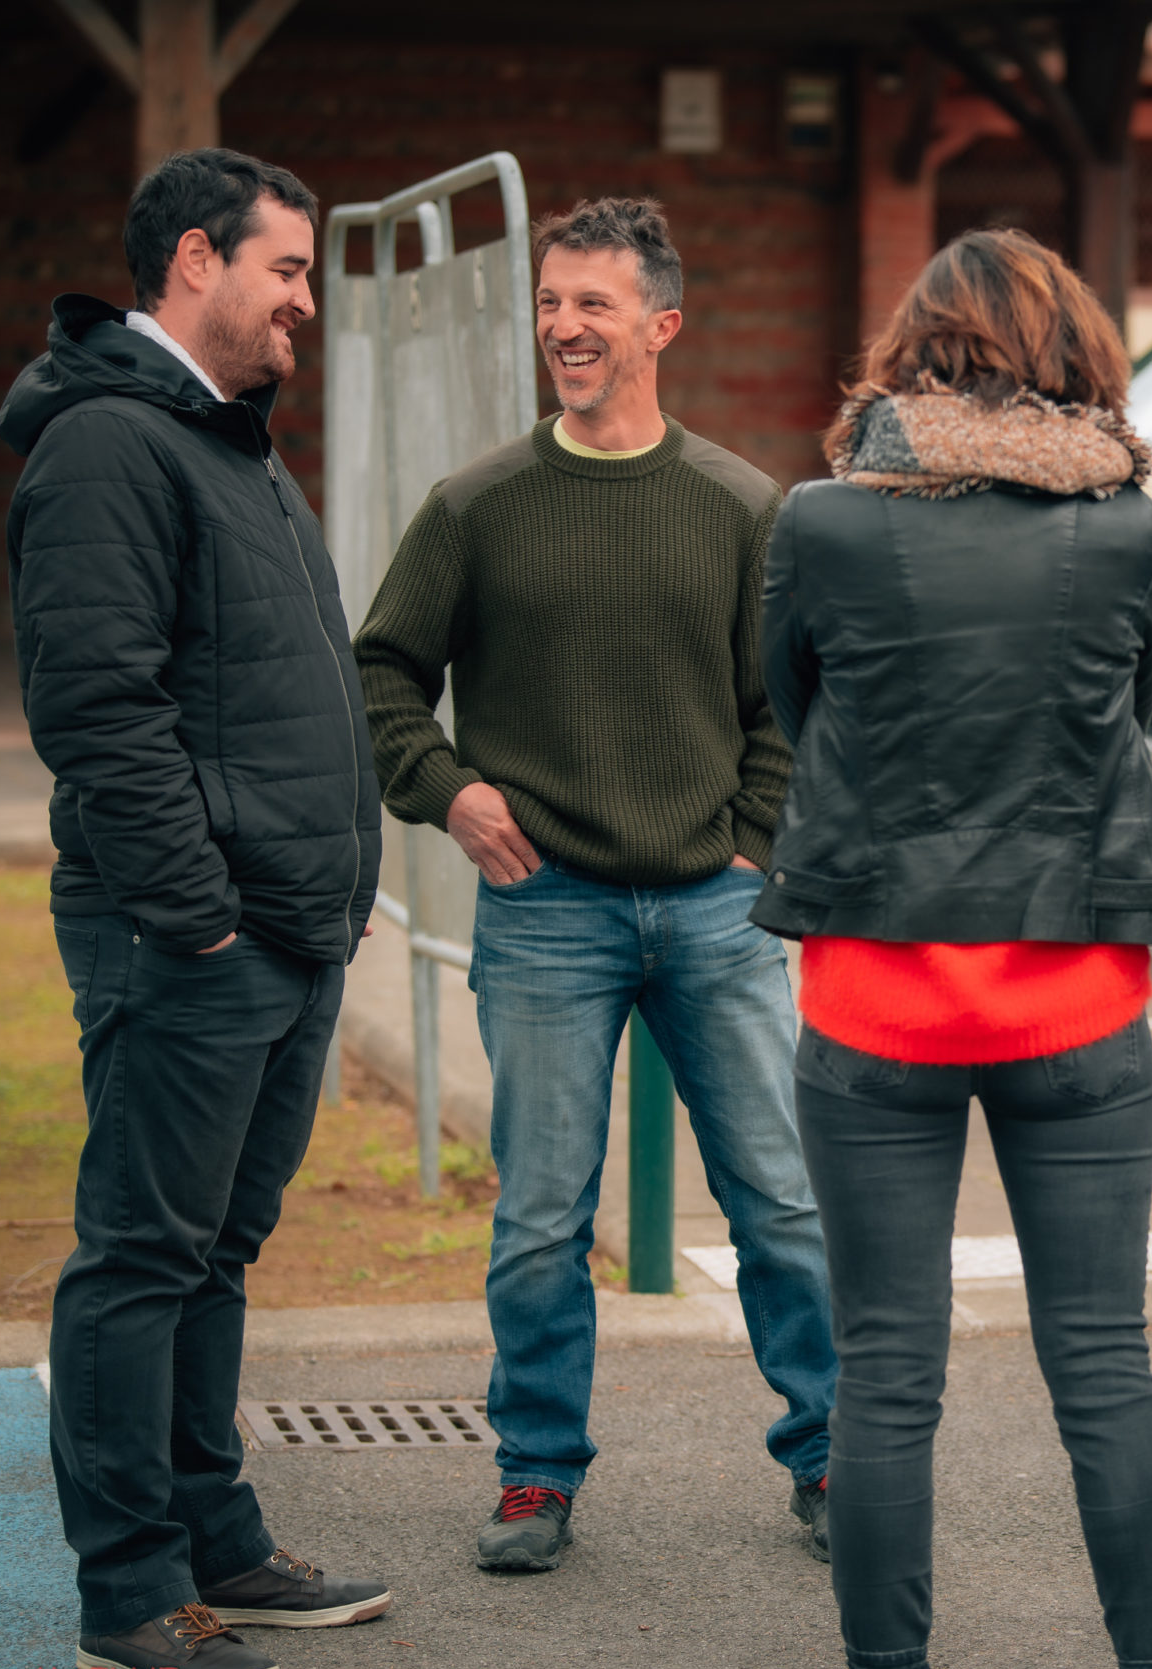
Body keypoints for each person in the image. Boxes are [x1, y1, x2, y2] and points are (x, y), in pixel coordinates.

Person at [353, 197, 837, 1572]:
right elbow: (382, 666)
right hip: (546, 909)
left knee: (780, 1200)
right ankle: (535, 1473)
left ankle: (830, 1449)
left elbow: (792, 704)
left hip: (716, 909)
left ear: (661, 325)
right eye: (552, 303)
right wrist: (448, 788)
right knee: (541, 1214)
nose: (565, 325)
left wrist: (753, 838)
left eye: (594, 305)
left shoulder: (745, 507)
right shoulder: (479, 507)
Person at [755, 229, 1152, 1669]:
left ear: (913, 350)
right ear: (1072, 352)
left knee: (886, 1368)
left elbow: (794, 700)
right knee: (1105, 1362)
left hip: (876, 990)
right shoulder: (1126, 525)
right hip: (1073, 987)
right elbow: (1127, 707)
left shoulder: (820, 519)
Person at [1, 147, 390, 1669]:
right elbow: (100, 709)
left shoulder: (228, 444)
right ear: (189, 264)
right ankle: (130, 1591)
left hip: (280, 931)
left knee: (216, 1249)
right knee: (141, 1257)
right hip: (191, 941)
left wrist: (321, 892)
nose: (304, 298)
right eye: (284, 268)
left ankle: (216, 1539)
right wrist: (199, 918)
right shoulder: (109, 444)